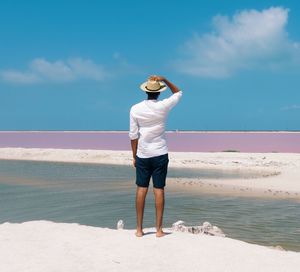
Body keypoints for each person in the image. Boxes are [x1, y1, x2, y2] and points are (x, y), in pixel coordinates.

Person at [129, 75, 182, 237]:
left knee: (141, 189)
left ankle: (139, 230)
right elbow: (178, 92)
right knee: (159, 189)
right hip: (160, 153)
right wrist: (165, 79)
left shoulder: (135, 108)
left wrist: (134, 156)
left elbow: (133, 135)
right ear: (158, 92)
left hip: (143, 154)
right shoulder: (163, 106)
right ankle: (159, 230)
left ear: (146, 91)